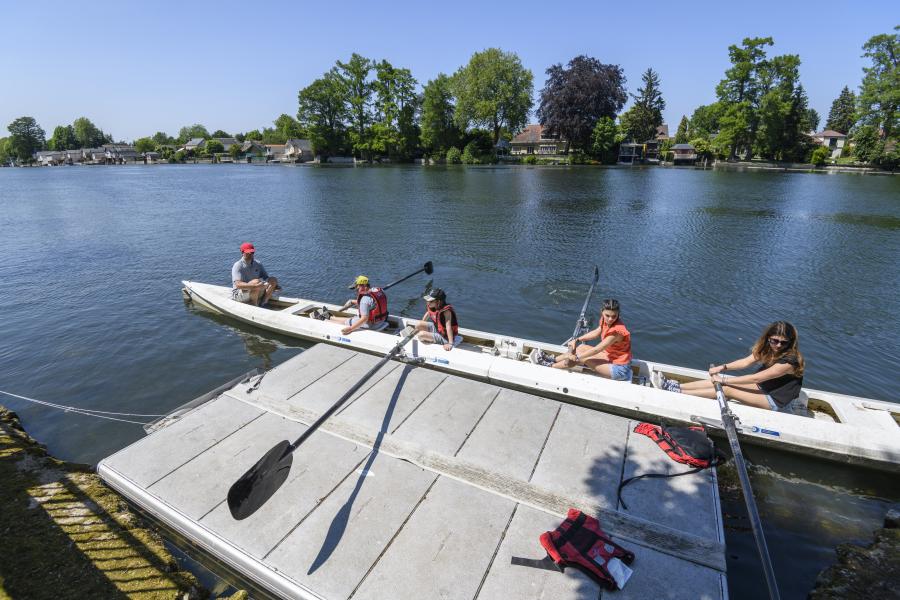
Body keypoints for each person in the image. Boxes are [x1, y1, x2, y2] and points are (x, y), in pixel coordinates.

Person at [656, 321, 806, 414]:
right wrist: (722, 368)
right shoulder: (768, 349)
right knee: (718, 381)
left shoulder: (789, 362)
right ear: (768, 338)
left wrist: (724, 380)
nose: (778, 345)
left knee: (727, 389)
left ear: (790, 342)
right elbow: (745, 362)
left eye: (783, 342)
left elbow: (756, 377)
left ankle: (676, 393)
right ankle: (676, 386)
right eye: (775, 340)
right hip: (764, 388)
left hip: (776, 400)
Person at [531, 299, 633, 382]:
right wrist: (577, 339)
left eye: (614, 316)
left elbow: (597, 349)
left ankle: (550, 366)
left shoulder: (616, 332)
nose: (610, 319)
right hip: (611, 357)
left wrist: (577, 357)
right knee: (581, 347)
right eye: (607, 315)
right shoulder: (604, 321)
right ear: (602, 312)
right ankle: (553, 359)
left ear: (618, 314)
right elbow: (596, 333)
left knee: (583, 358)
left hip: (619, 369)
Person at [231, 242, 278, 306]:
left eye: (252, 252)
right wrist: (255, 286)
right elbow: (238, 285)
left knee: (273, 279)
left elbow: (266, 278)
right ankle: (254, 305)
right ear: (242, 252)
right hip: (240, 293)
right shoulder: (238, 265)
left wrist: (274, 285)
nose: (250, 254)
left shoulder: (258, 263)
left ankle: (264, 303)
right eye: (248, 252)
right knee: (256, 282)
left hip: (255, 290)